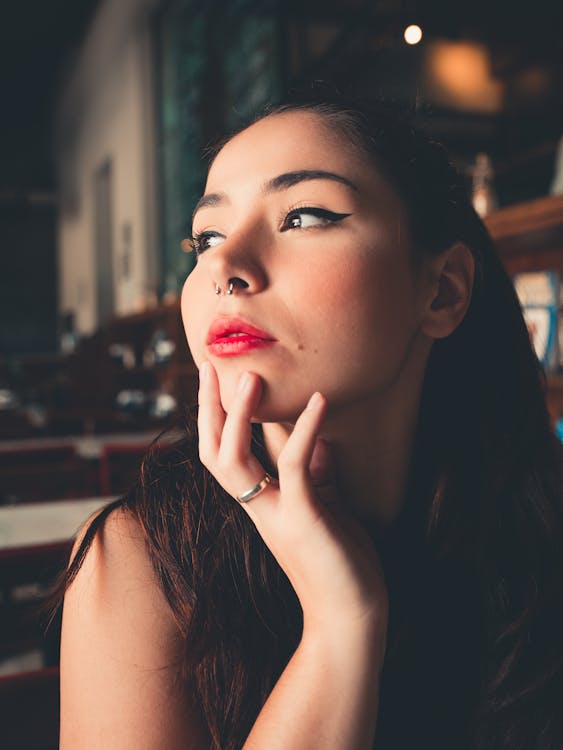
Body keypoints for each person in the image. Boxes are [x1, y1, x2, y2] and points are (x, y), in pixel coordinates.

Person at [56, 95, 563, 749]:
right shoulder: (138, 563)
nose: (223, 267)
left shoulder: (536, 530)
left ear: (441, 291)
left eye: (303, 216)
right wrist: (340, 622)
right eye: (206, 237)